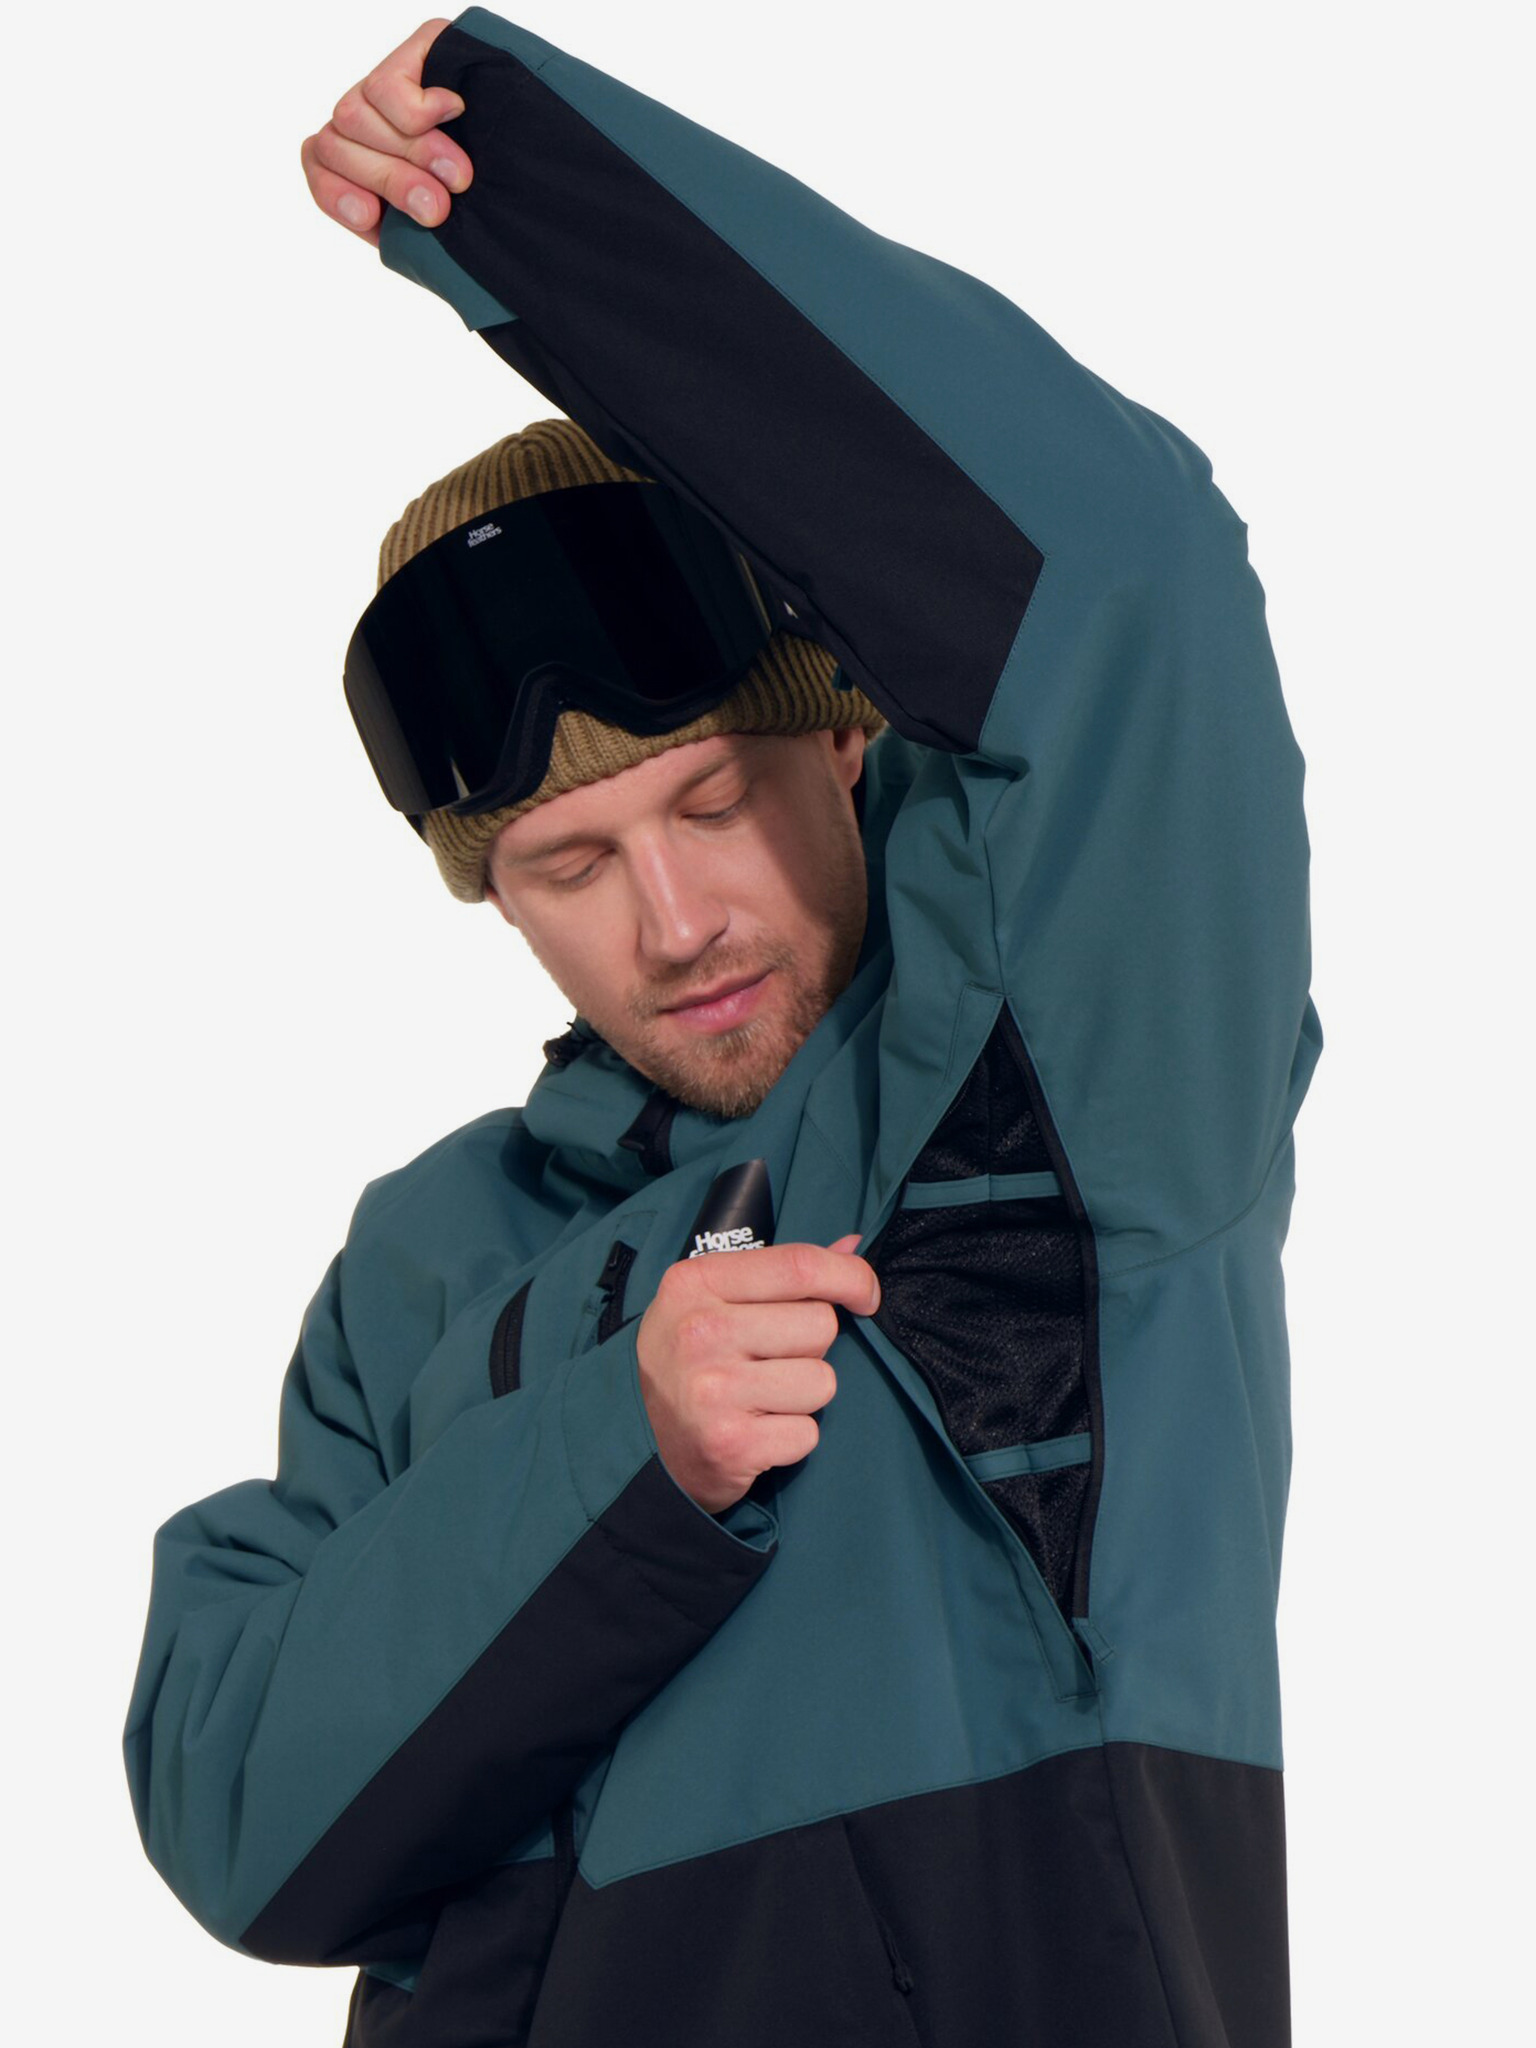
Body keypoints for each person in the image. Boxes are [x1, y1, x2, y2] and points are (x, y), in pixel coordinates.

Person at [123, 13, 1324, 2046]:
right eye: (568, 864)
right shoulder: (426, 1255)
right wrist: (630, 1446)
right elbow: (238, 1812)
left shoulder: (1054, 1084)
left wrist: (526, 199)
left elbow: (1128, 584)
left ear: (851, 737)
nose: (672, 925)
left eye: (711, 801)